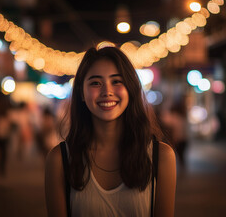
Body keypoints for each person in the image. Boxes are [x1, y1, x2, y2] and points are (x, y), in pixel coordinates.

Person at [45, 46, 176, 217]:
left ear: (130, 89)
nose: (107, 92)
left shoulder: (161, 156)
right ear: (82, 93)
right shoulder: (60, 159)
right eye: (95, 83)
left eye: (117, 81)